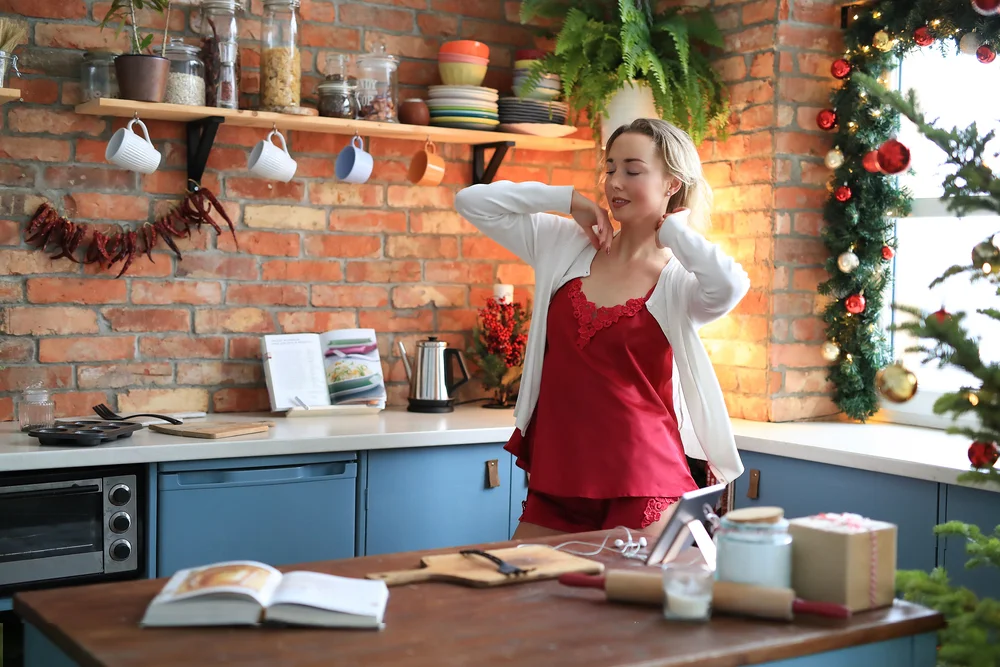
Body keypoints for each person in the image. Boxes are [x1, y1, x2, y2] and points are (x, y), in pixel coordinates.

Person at [454, 118, 750, 539]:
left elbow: (731, 285)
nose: (615, 182)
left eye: (632, 170)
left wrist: (673, 230)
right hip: (560, 471)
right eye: (610, 168)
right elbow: (471, 201)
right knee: (522, 596)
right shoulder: (564, 243)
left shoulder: (680, 281)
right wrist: (567, 199)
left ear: (671, 184)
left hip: (643, 476)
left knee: (634, 603)